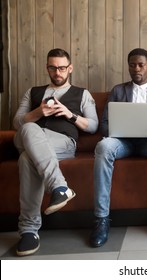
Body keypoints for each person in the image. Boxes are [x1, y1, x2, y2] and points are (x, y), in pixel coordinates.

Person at [12, 48, 99, 256]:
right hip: (29, 137)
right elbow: (16, 123)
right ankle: (59, 187)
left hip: (63, 142)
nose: (57, 72)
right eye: (53, 68)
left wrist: (70, 115)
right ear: (47, 68)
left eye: (61, 68)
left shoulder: (82, 93)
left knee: (26, 159)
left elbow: (94, 126)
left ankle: (29, 231)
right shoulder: (32, 92)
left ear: (70, 68)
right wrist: (37, 113)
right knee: (29, 128)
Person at [90, 48, 147, 247]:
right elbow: (103, 124)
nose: (136, 68)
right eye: (132, 64)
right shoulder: (118, 91)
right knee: (103, 147)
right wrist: (116, 130)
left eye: (140, 65)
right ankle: (101, 218)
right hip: (123, 142)